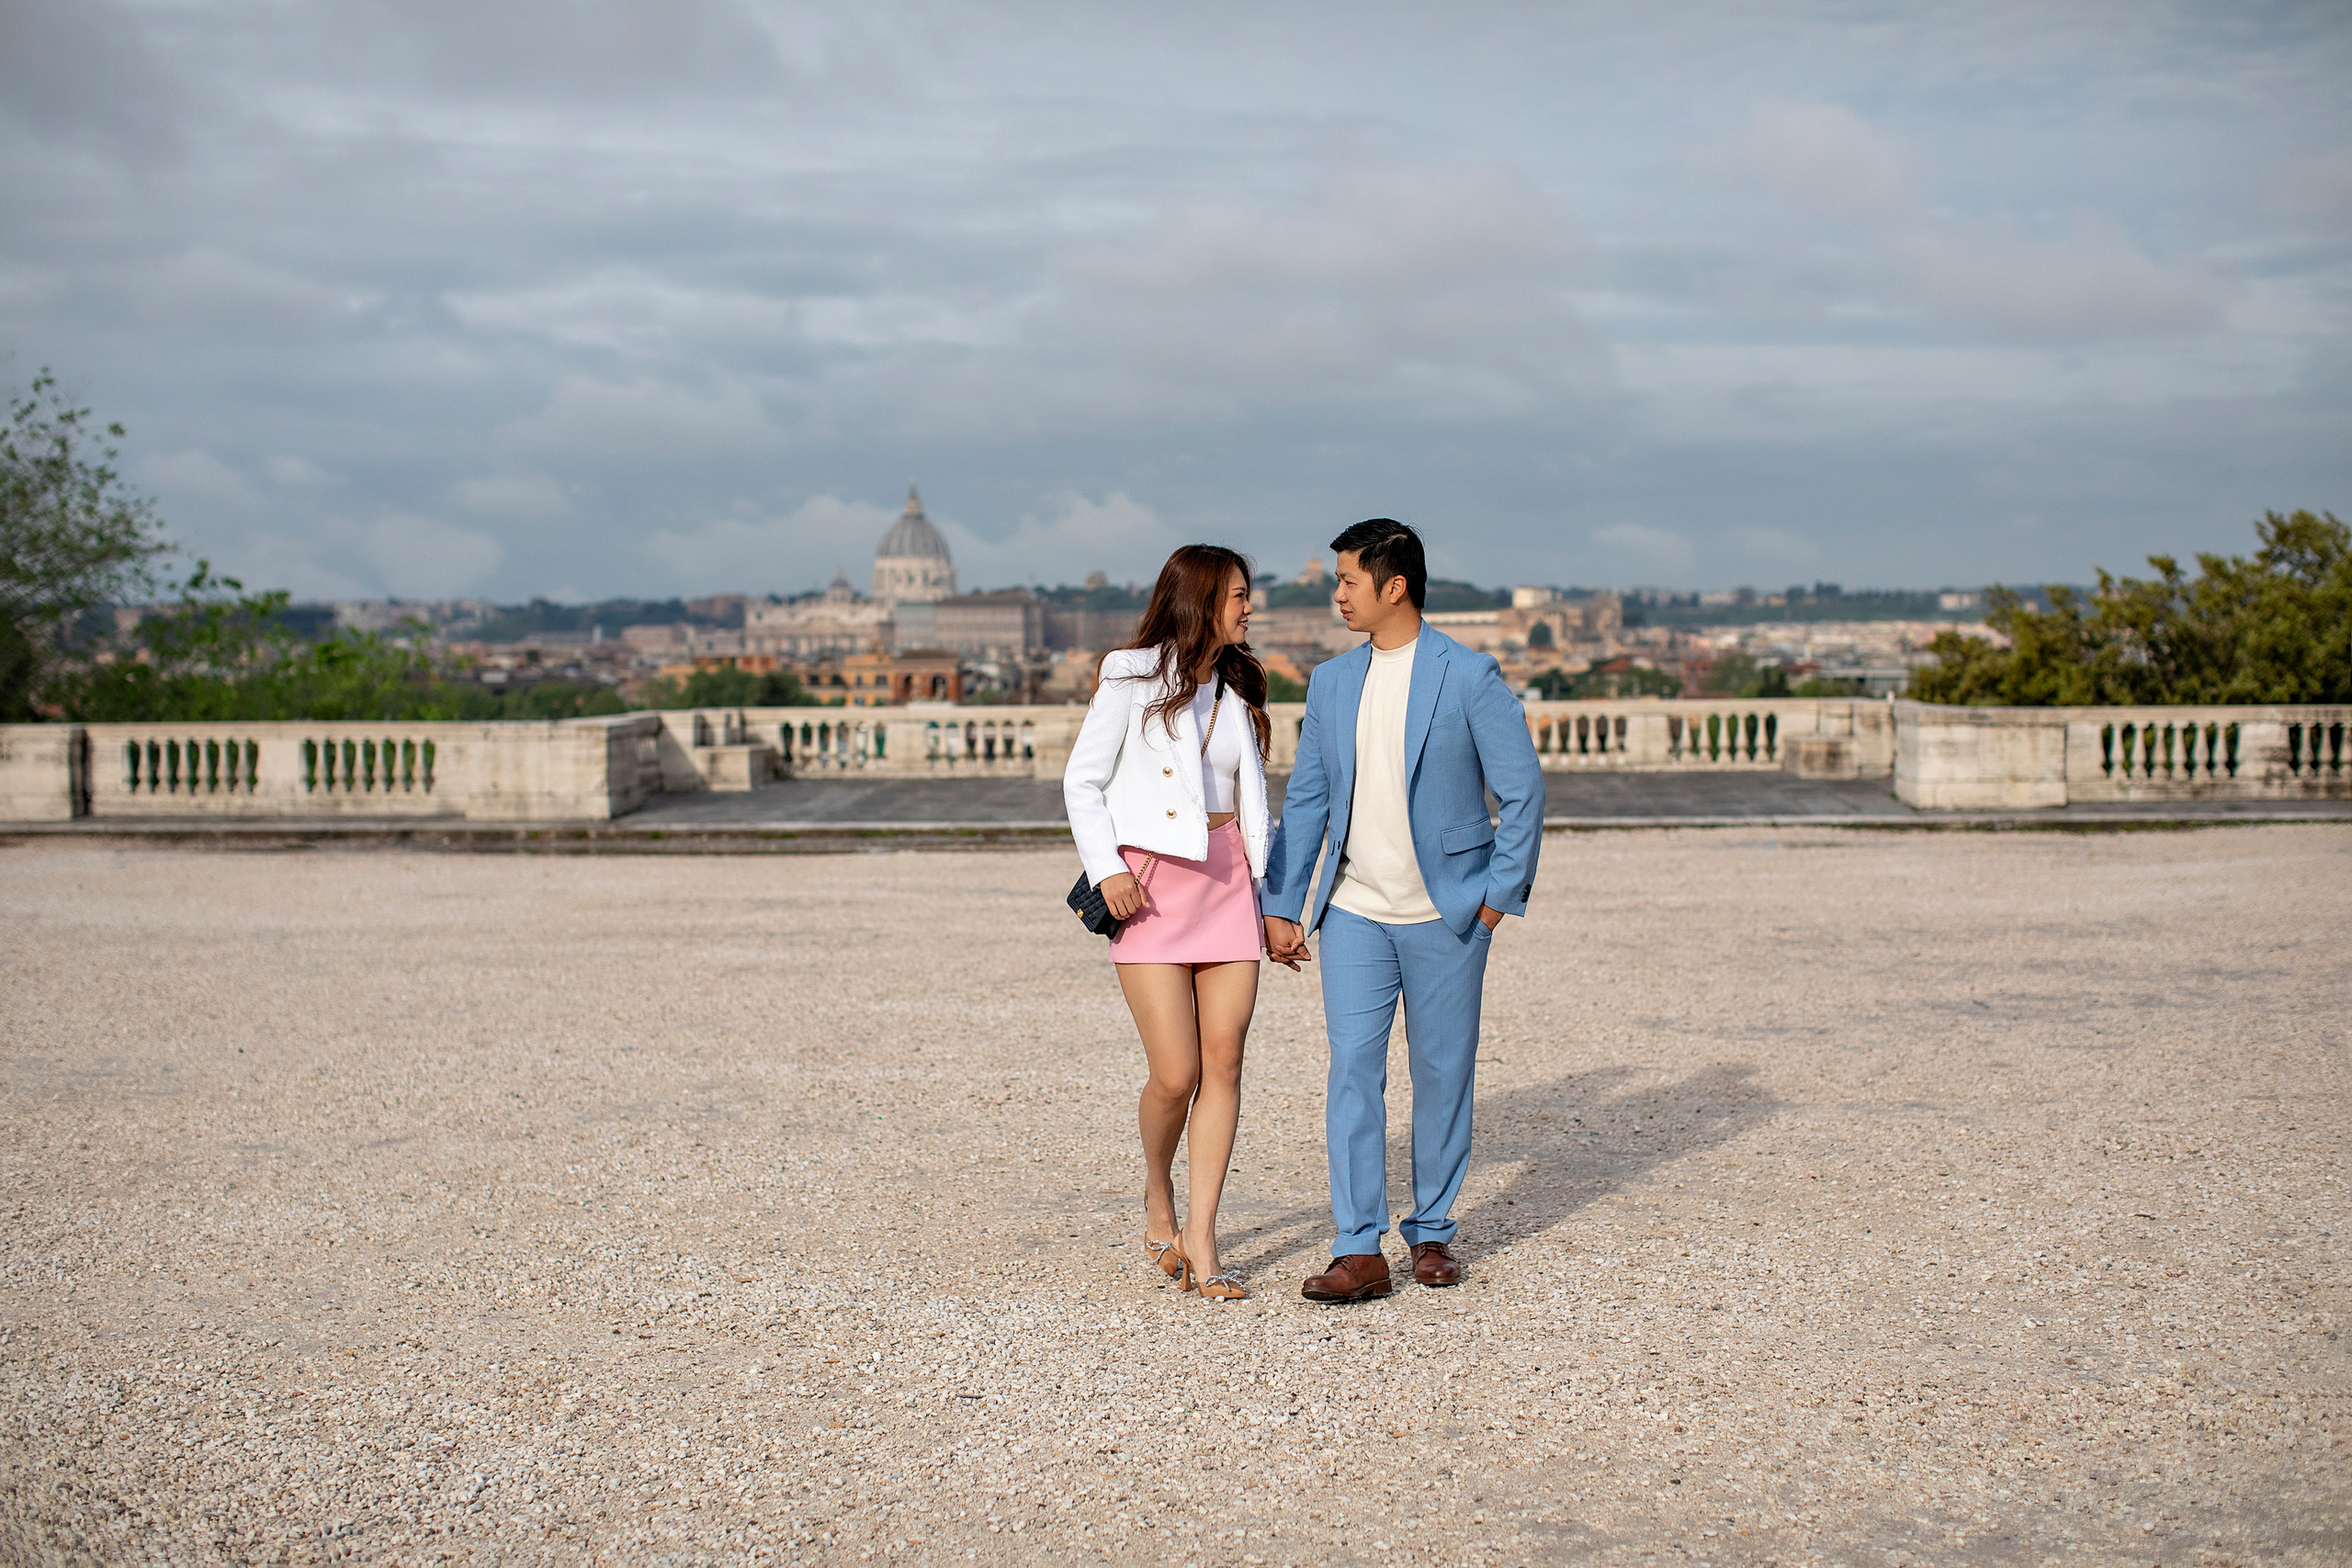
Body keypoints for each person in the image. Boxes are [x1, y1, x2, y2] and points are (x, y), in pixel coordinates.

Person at [1262, 519, 1545, 1302]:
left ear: (1395, 587)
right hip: (1353, 909)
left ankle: (1433, 1231)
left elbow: (1523, 791)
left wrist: (1495, 900)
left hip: (1448, 912)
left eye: (1349, 579)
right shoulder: (1330, 681)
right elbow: (1310, 797)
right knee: (1352, 1069)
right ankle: (1359, 1247)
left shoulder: (1469, 674)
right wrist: (1282, 902)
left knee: (1442, 1072)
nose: (1337, 593)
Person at [1064, 545, 1283, 1302]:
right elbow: (1082, 780)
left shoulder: (1237, 684)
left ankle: (1202, 1235)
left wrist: (1274, 900)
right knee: (1177, 1073)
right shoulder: (1130, 677)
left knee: (1224, 1065)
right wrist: (1108, 868)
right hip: (1150, 887)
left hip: (1228, 883)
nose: (1249, 607)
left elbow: (1254, 802)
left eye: (1249, 595)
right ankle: (1157, 1193)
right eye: (1238, 595)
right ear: (1199, 599)